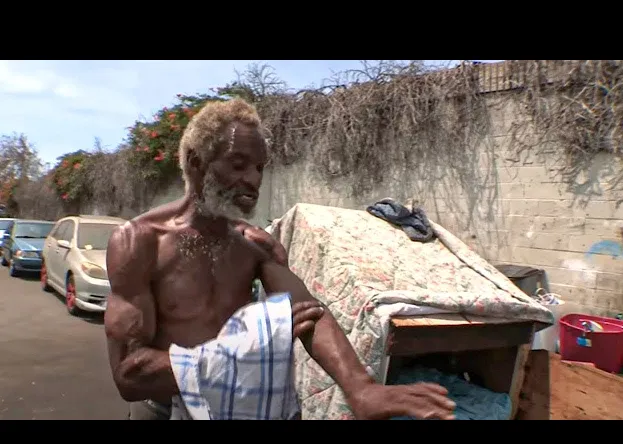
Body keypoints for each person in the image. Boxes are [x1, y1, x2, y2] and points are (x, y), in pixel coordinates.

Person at [104, 98, 456, 421]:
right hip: (164, 410)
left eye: (260, 168)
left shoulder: (254, 244)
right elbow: (130, 375)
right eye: (238, 165)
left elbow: (308, 313)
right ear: (197, 162)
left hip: (238, 408)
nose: (253, 180)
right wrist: (243, 352)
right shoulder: (141, 242)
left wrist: (361, 388)